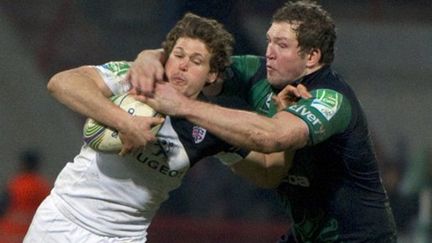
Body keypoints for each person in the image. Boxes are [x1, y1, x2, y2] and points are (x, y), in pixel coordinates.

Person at [128, 1, 398, 242]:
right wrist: (149, 58)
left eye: (282, 45)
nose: (269, 52)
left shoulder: (330, 98)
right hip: (308, 233)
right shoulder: (257, 71)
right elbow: (195, 61)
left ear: (312, 57)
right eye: (269, 41)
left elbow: (272, 137)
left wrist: (185, 107)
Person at [24, 13, 286, 242]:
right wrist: (124, 122)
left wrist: (284, 115)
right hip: (61, 220)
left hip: (125, 238)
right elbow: (61, 83)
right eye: (178, 55)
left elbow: (267, 172)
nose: (183, 65)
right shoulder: (138, 79)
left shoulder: (210, 126)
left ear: (212, 75)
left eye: (196, 61)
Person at [0, 150, 51, 243]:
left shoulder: (15, 184)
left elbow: (2, 208)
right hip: (34, 234)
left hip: (10, 234)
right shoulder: (43, 186)